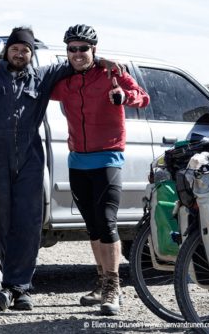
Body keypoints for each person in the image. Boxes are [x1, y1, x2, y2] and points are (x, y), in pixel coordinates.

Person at [0, 26, 122, 311]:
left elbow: (77, 62)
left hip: (29, 160)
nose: (20, 53)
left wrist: (103, 62)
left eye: (25, 50)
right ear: (8, 51)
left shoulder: (41, 76)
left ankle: (21, 288)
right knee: (1, 221)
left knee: (28, 224)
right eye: (16, 48)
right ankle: (11, 285)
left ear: (31, 54)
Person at [51, 24, 150, 315]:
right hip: (77, 161)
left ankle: (113, 287)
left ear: (94, 50)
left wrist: (124, 97)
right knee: (92, 225)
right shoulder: (64, 81)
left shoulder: (111, 74)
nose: (78, 53)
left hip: (107, 158)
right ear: (67, 51)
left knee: (106, 222)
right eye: (73, 48)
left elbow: (142, 97)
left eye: (84, 48)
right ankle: (101, 282)